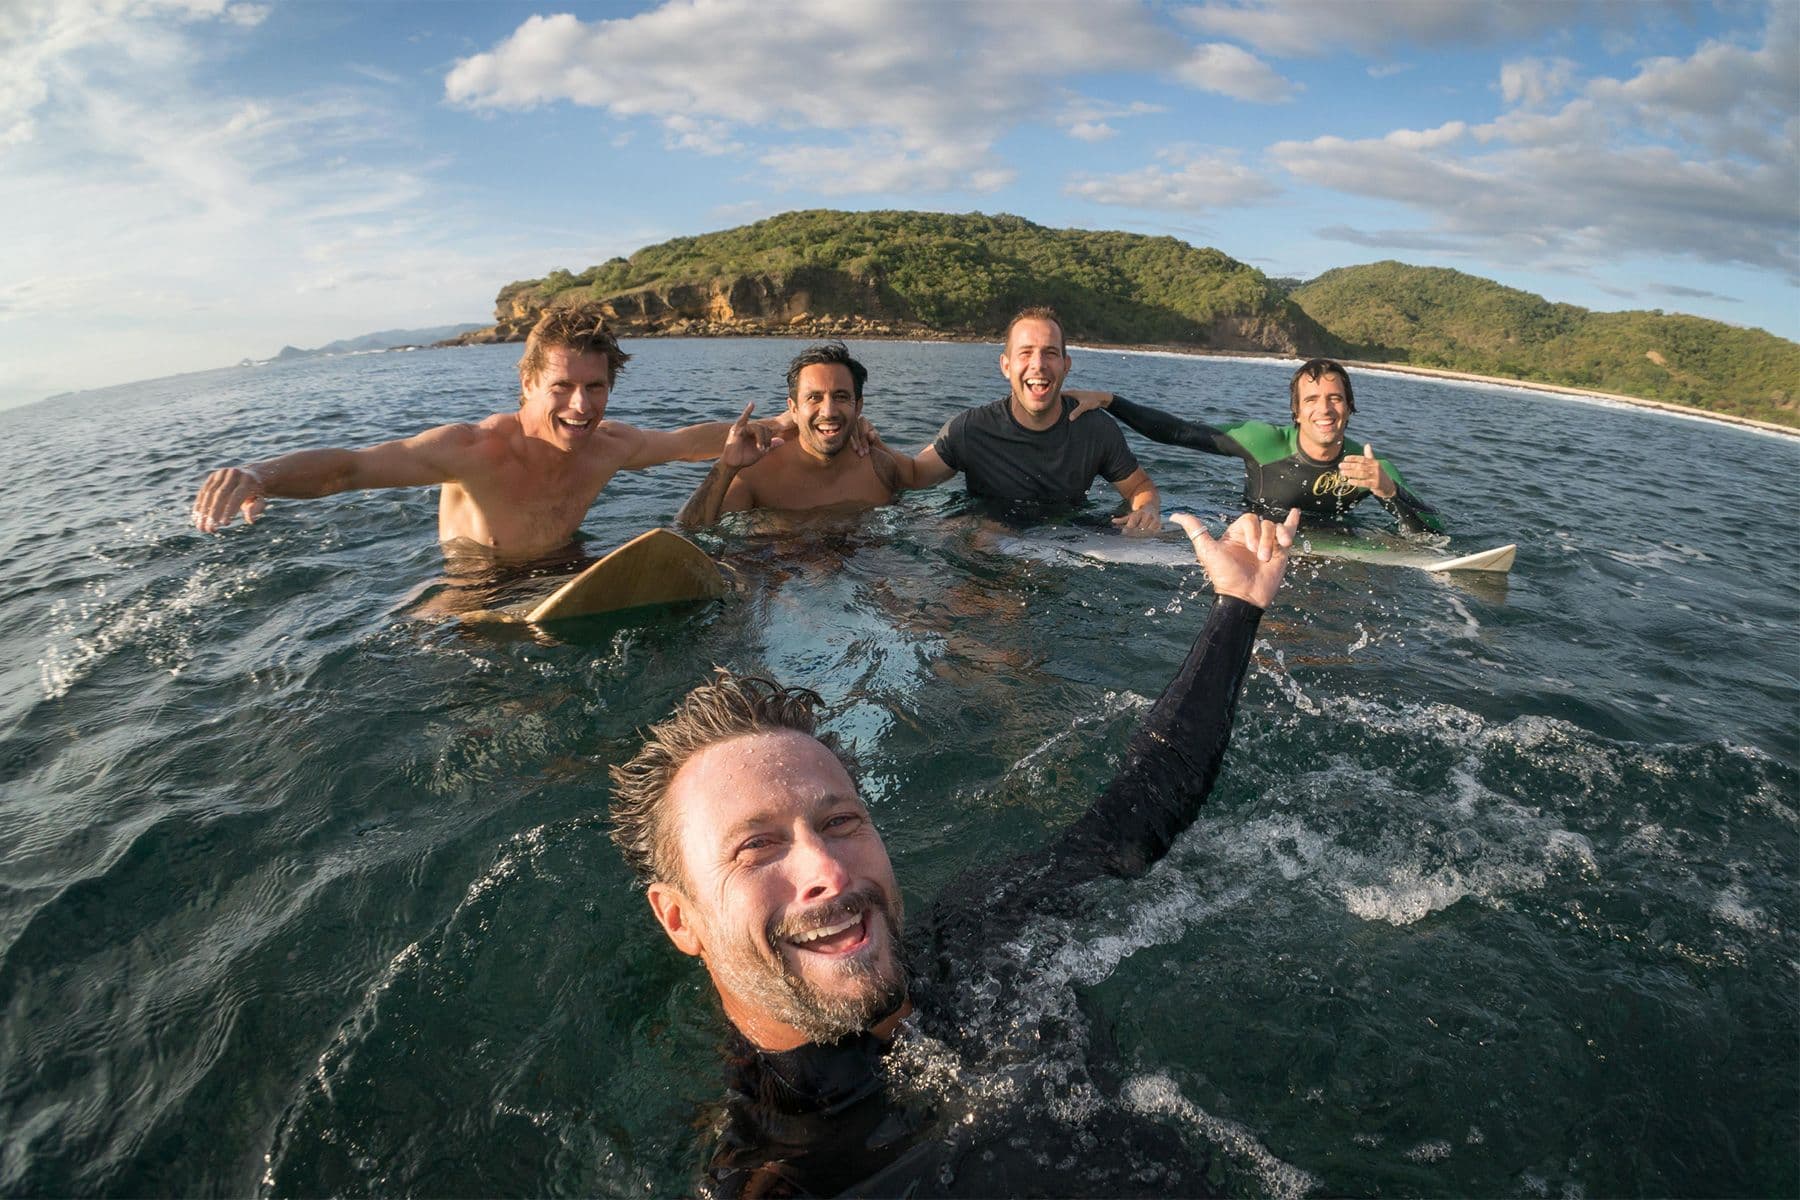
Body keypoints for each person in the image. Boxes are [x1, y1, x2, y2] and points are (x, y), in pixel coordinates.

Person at [609, 507, 1301, 1196]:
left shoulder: (979, 929)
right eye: (757, 847)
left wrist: (1236, 609)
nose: (826, 869)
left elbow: (1131, 824)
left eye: (841, 822)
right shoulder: (780, 1177)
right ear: (679, 919)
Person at [190, 303, 789, 560]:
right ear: (527, 384)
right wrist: (259, 474)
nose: (581, 406)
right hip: (477, 592)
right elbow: (352, 467)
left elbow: (690, 441)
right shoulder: (471, 449)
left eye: (596, 387)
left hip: (567, 570)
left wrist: (787, 423)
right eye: (561, 387)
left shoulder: (613, 447)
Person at [1072, 358, 1444, 533]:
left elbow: (1434, 533)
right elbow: (1180, 432)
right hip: (1251, 531)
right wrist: (1110, 401)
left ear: (1349, 406)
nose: (1325, 409)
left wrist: (1389, 491)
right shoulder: (1263, 442)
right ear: (1296, 412)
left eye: (1335, 398)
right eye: (1312, 399)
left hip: (1327, 544)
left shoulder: (1370, 467)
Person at [880, 306, 1162, 533]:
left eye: (1050, 353)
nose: (1038, 364)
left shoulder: (1094, 428)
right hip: (988, 543)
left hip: (1070, 535)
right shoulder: (971, 429)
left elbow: (1139, 487)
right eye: (1025, 353)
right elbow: (914, 475)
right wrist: (866, 439)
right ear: (1006, 365)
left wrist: (1146, 510)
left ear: (1066, 365)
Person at [676, 343, 898, 526]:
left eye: (840, 396)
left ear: (858, 407)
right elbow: (688, 535)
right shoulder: (754, 474)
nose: (828, 411)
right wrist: (725, 466)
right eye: (814, 397)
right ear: (793, 409)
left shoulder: (881, 470)